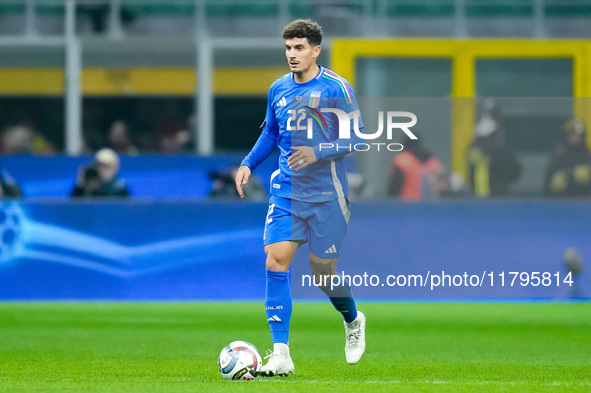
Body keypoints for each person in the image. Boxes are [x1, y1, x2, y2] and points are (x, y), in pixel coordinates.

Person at [234, 19, 366, 377]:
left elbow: (357, 139)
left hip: (328, 195)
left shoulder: (337, 88)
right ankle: (281, 353)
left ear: (315, 50)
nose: (292, 55)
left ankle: (352, 319)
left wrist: (318, 151)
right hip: (288, 191)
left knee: (323, 274)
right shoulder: (278, 89)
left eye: (299, 48)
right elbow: (272, 134)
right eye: (288, 48)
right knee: (275, 262)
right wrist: (249, 163)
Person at [465, 106, 521, 197]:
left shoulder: (472, 147)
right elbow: (515, 171)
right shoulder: (498, 149)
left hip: (478, 200)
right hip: (497, 199)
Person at [388, 136, 448, 201]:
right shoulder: (433, 162)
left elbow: (393, 191)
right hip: (431, 207)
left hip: (407, 206)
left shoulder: (402, 161)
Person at [544, 118, 591, 197]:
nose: (576, 138)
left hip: (584, 200)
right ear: (565, 136)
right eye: (572, 135)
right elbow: (548, 184)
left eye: (579, 136)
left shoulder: (587, 154)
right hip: (561, 200)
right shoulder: (559, 154)